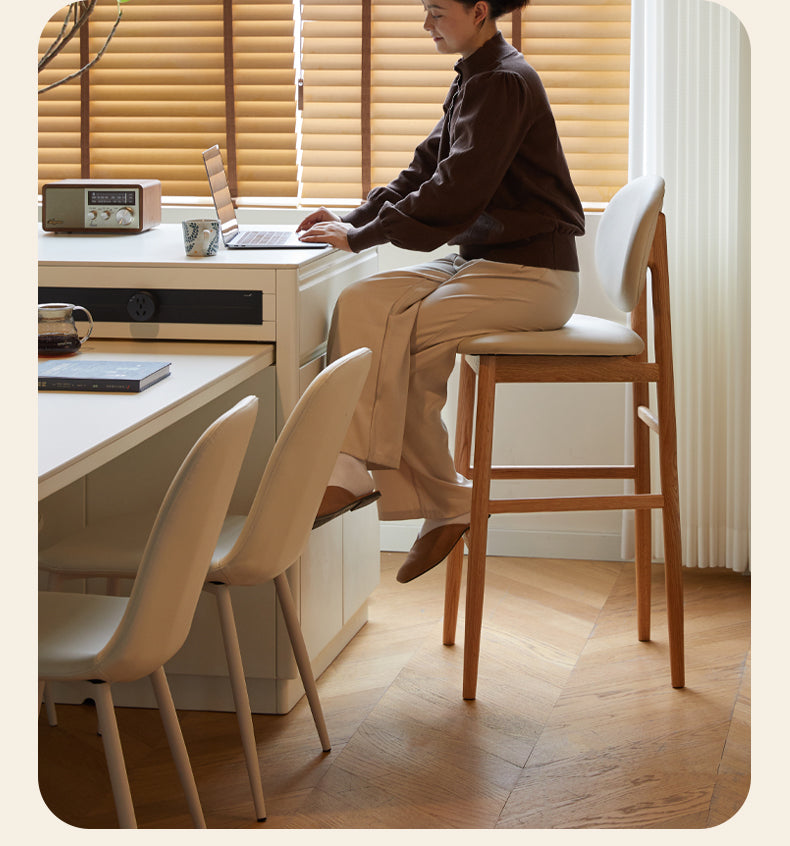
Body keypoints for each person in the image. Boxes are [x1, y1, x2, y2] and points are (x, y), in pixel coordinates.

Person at [297, 0, 585, 584]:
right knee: (364, 305)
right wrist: (354, 221)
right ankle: (446, 502)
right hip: (484, 264)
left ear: (479, 11)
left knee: (390, 337)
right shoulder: (476, 77)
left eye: (435, 11)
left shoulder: (503, 82)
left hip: (533, 277)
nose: (425, 23)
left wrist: (364, 237)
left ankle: (350, 469)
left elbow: (456, 190)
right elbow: (424, 170)